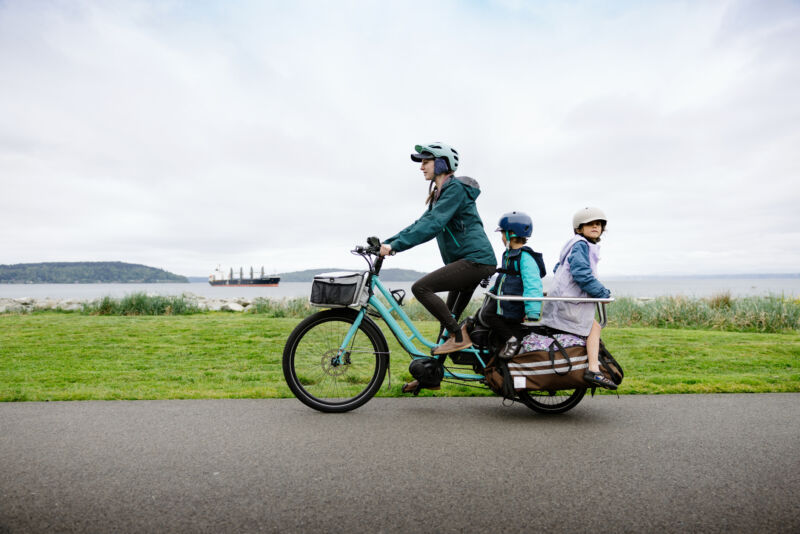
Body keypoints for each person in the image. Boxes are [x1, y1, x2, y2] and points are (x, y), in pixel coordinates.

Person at [380, 142, 496, 391]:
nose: (421, 166)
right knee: (448, 322)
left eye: (426, 161)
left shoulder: (454, 189)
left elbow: (433, 225)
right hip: (468, 262)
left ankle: (460, 336)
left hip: (476, 260)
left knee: (421, 288)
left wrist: (396, 247)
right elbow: (421, 223)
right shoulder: (439, 195)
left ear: (442, 163)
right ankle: (429, 378)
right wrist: (388, 242)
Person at [539, 207, 617, 389]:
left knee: (594, 327)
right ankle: (593, 370)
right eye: (590, 224)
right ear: (579, 228)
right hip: (568, 304)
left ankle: (592, 367)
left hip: (563, 302)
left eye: (598, 224)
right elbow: (581, 273)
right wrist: (602, 293)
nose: (595, 227)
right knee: (594, 327)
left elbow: (558, 268)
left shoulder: (574, 244)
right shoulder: (581, 245)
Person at [482, 211, 546, 359]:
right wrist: (492, 291)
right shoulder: (509, 254)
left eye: (503, 234)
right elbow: (504, 277)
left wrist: (533, 312)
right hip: (504, 299)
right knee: (483, 313)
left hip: (513, 303)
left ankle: (512, 341)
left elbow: (533, 285)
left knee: (488, 314)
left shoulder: (525, 258)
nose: (502, 238)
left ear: (511, 234)